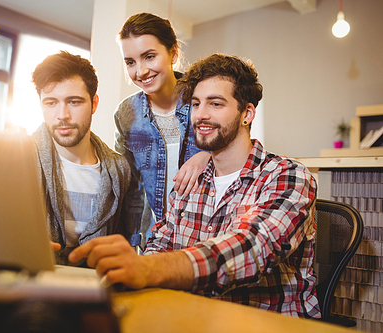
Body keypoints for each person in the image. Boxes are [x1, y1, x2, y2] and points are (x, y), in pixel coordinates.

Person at [69, 53, 321, 318]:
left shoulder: (288, 176)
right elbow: (160, 244)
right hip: (194, 319)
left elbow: (252, 248)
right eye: (196, 104)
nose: (201, 115)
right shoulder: (190, 181)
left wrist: (150, 269)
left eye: (215, 104)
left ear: (247, 113)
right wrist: (132, 268)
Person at [31, 51, 139, 266]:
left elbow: (124, 242)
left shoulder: (119, 170)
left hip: (96, 286)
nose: (62, 115)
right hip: (33, 283)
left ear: (94, 103)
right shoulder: (18, 158)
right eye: (51, 103)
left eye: (74, 102)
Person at [114, 13, 211, 243]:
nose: (141, 71)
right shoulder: (126, 113)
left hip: (207, 237)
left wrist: (209, 155)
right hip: (156, 239)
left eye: (149, 56)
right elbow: (131, 189)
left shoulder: (204, 96)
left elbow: (237, 150)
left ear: (173, 53)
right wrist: (132, 244)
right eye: (130, 62)